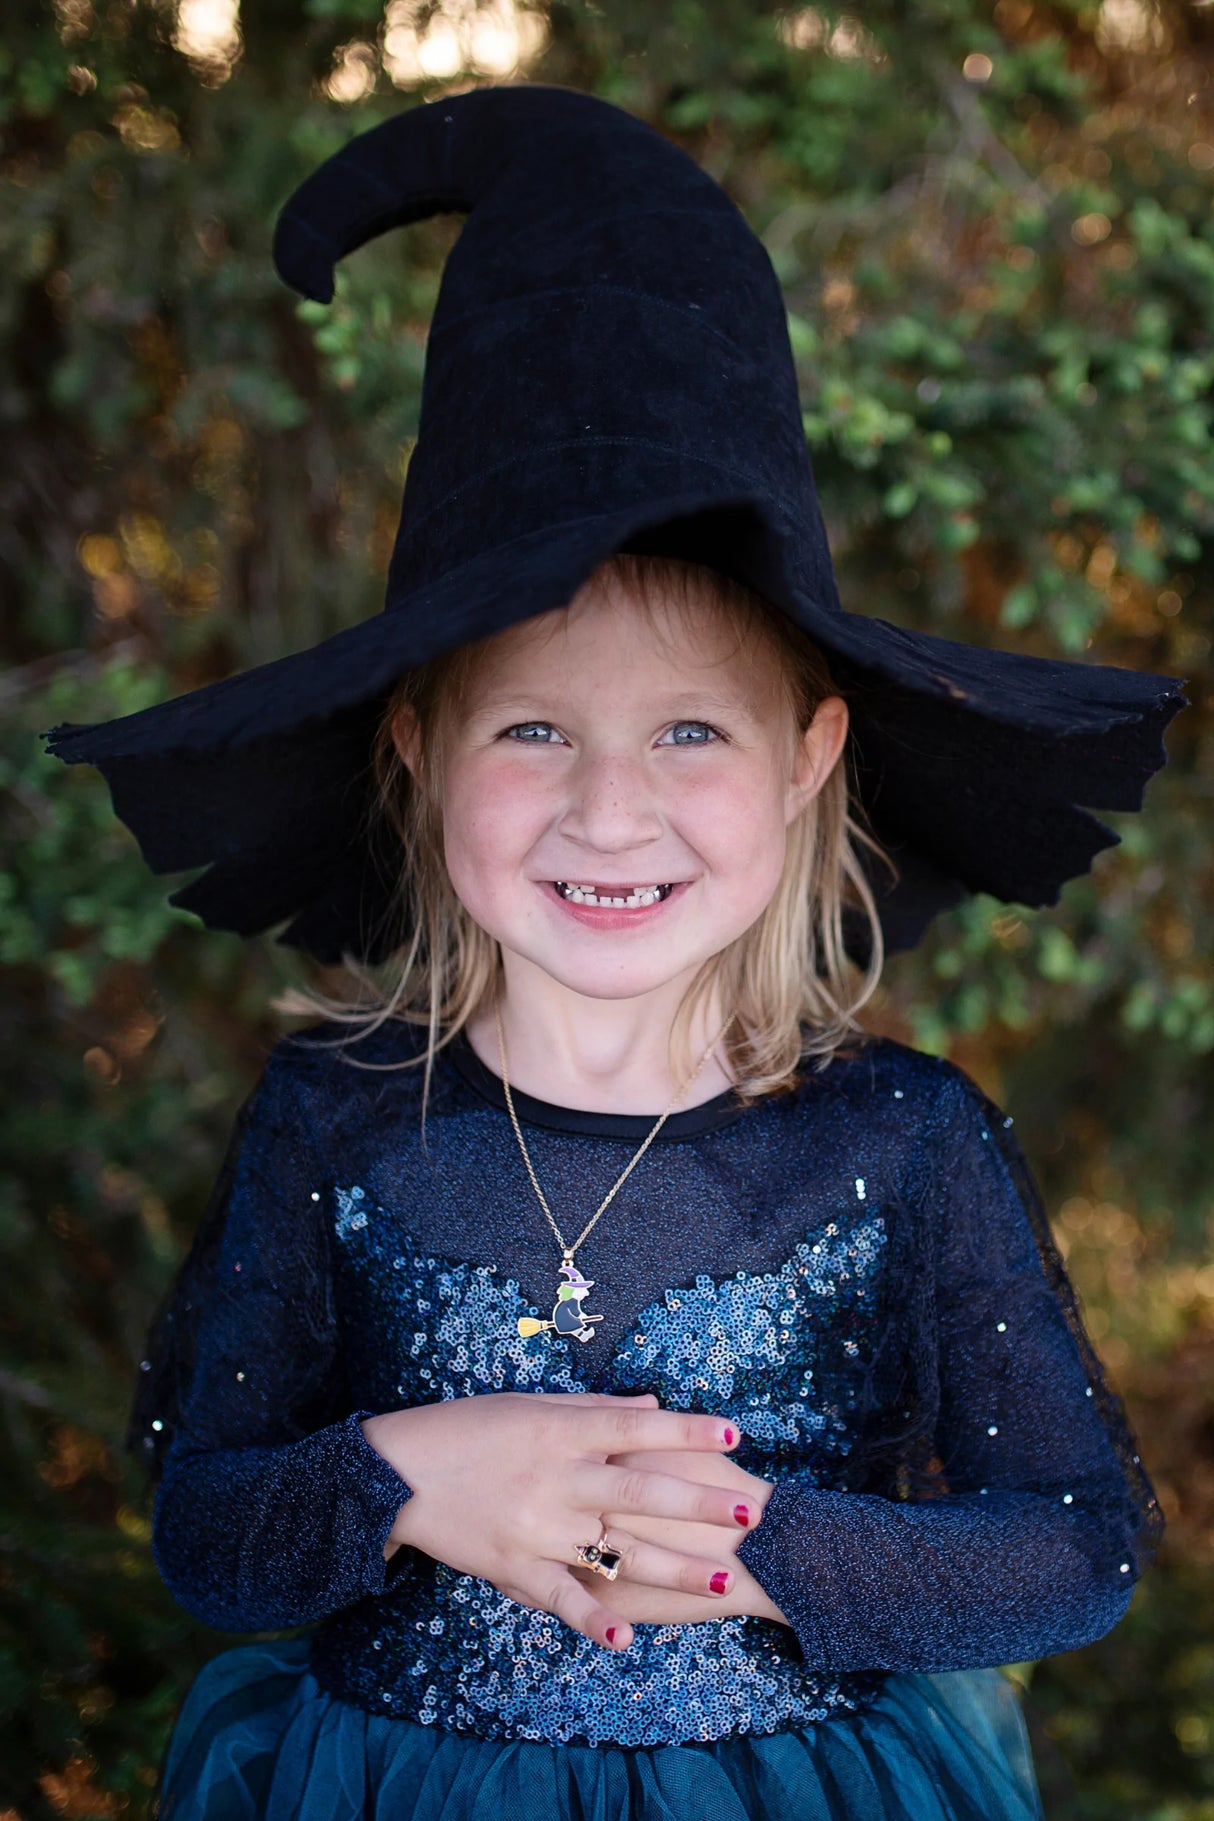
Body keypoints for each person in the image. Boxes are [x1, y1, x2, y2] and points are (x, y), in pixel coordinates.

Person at [44, 83, 1183, 1821]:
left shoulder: (898, 1141)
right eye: (532, 735)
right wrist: (405, 1475)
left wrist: (754, 1544)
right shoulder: (338, 1124)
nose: (608, 810)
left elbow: (1076, 1546)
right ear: (416, 753)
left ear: (806, 763)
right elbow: (204, 1527)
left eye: (687, 737)